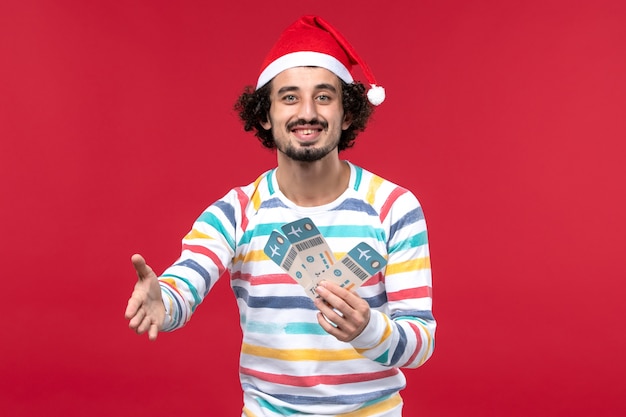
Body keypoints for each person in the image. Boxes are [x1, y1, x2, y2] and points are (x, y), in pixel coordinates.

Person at [125, 15, 436, 417]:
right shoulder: (236, 212)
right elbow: (185, 282)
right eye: (289, 97)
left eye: (324, 97)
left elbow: (421, 342)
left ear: (347, 114)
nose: (307, 112)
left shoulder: (395, 208)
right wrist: (163, 303)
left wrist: (369, 330)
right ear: (264, 116)